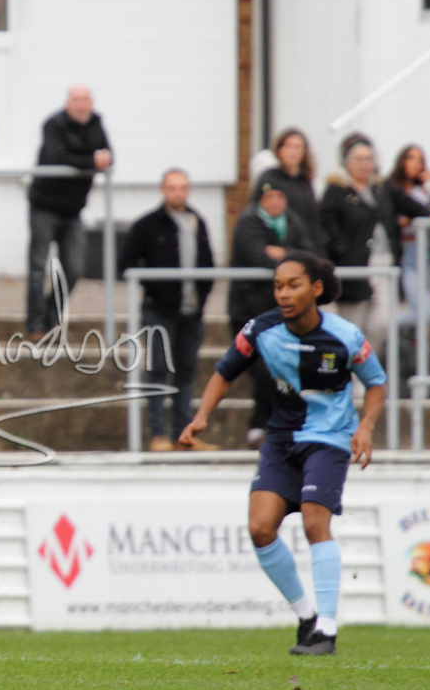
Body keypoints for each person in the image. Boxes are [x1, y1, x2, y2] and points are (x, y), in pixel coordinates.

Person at [180, 251, 387, 656]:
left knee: (314, 522)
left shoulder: (345, 336)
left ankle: (327, 630)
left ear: (316, 288)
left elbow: (376, 382)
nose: (284, 294)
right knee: (260, 528)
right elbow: (224, 371)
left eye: (293, 285)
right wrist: (201, 416)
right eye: (278, 286)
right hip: (281, 439)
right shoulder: (260, 330)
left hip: (329, 438)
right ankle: (306, 617)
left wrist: (365, 427)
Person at [321, 134, 430, 357]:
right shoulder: (337, 191)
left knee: (382, 322)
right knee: (353, 325)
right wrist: (343, 252)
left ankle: (365, 365)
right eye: (359, 159)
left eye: (369, 158)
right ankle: (351, 371)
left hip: (384, 265)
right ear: (347, 162)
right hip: (355, 268)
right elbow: (327, 227)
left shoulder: (382, 188)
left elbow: (410, 205)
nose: (365, 164)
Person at [119, 169, 215, 452]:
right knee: (158, 370)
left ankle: (183, 435)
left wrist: (202, 297)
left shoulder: (197, 221)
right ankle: (158, 434)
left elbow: (208, 264)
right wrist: (157, 287)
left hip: (192, 311)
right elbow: (126, 263)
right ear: (163, 190)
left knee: (186, 372)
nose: (178, 193)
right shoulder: (148, 224)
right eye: (172, 187)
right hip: (159, 311)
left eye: (183, 187)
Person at [228, 186, 316, 449]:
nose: (276, 202)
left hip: (282, 315)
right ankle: (259, 426)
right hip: (250, 312)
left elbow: (310, 256)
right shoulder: (248, 223)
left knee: (283, 368)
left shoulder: (293, 222)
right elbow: (259, 258)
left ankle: (272, 426)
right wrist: (291, 257)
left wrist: (282, 253)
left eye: (280, 196)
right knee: (264, 368)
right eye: (270, 197)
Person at [26, 86, 112, 336]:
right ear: (68, 103)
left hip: (73, 211)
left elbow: (109, 157)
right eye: (76, 100)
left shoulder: (96, 124)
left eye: (86, 100)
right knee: (37, 268)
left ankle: (51, 315)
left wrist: (98, 161)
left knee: (73, 269)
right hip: (44, 207)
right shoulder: (53, 124)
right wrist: (91, 162)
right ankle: (36, 324)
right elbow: (57, 157)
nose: (81, 105)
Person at [381, 145, 430, 327]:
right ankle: (386, 324)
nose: (416, 163)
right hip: (409, 254)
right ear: (402, 161)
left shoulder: (423, 190)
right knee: (429, 313)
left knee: (425, 309)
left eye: (420, 160)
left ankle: (413, 342)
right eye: (411, 158)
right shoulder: (393, 189)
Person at [252, 128, 325, 252]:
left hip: (307, 249)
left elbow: (313, 219)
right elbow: (258, 213)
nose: (292, 152)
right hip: (282, 249)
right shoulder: (270, 179)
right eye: (288, 146)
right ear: (279, 150)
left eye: (297, 147)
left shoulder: (304, 181)